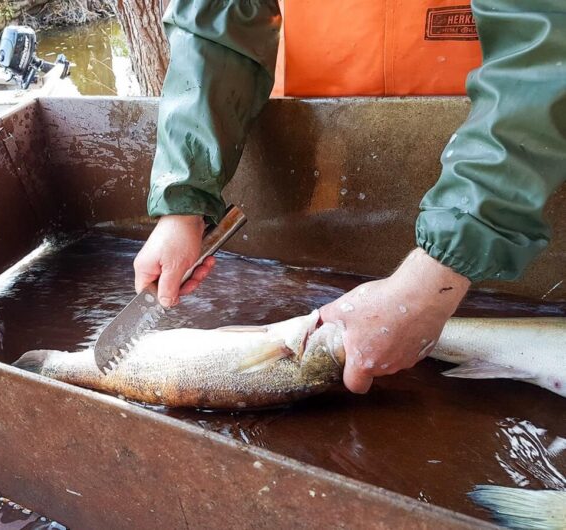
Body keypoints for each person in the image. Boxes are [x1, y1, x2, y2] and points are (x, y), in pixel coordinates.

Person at [133, 0, 566, 393]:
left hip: (502, 159)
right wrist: (183, 201)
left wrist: (430, 284)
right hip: (316, 140)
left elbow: (544, 56)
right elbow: (216, 24)